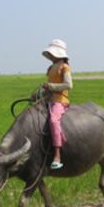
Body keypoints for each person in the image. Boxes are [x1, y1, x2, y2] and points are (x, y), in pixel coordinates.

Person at [41, 39, 73, 169]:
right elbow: (49, 88)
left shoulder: (64, 67)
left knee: (54, 120)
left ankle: (57, 155)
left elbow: (68, 85)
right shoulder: (51, 68)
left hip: (60, 101)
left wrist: (51, 86)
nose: (51, 56)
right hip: (49, 99)